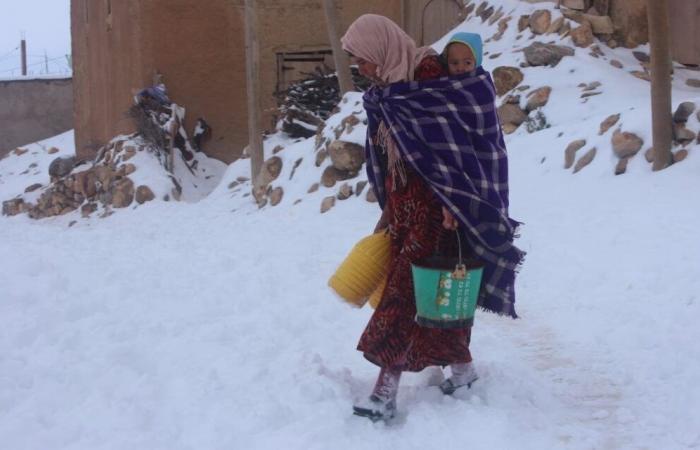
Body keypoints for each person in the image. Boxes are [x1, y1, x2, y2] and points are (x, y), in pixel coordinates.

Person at [341, 15, 524, 421]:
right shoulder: (387, 88)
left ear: (380, 49)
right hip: (407, 210)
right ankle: (463, 372)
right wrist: (389, 209)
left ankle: (384, 393)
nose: (361, 69)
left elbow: (456, 143)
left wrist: (453, 202)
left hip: (439, 208)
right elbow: (392, 156)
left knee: (404, 298)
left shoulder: (426, 75)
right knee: (436, 296)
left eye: (363, 60)